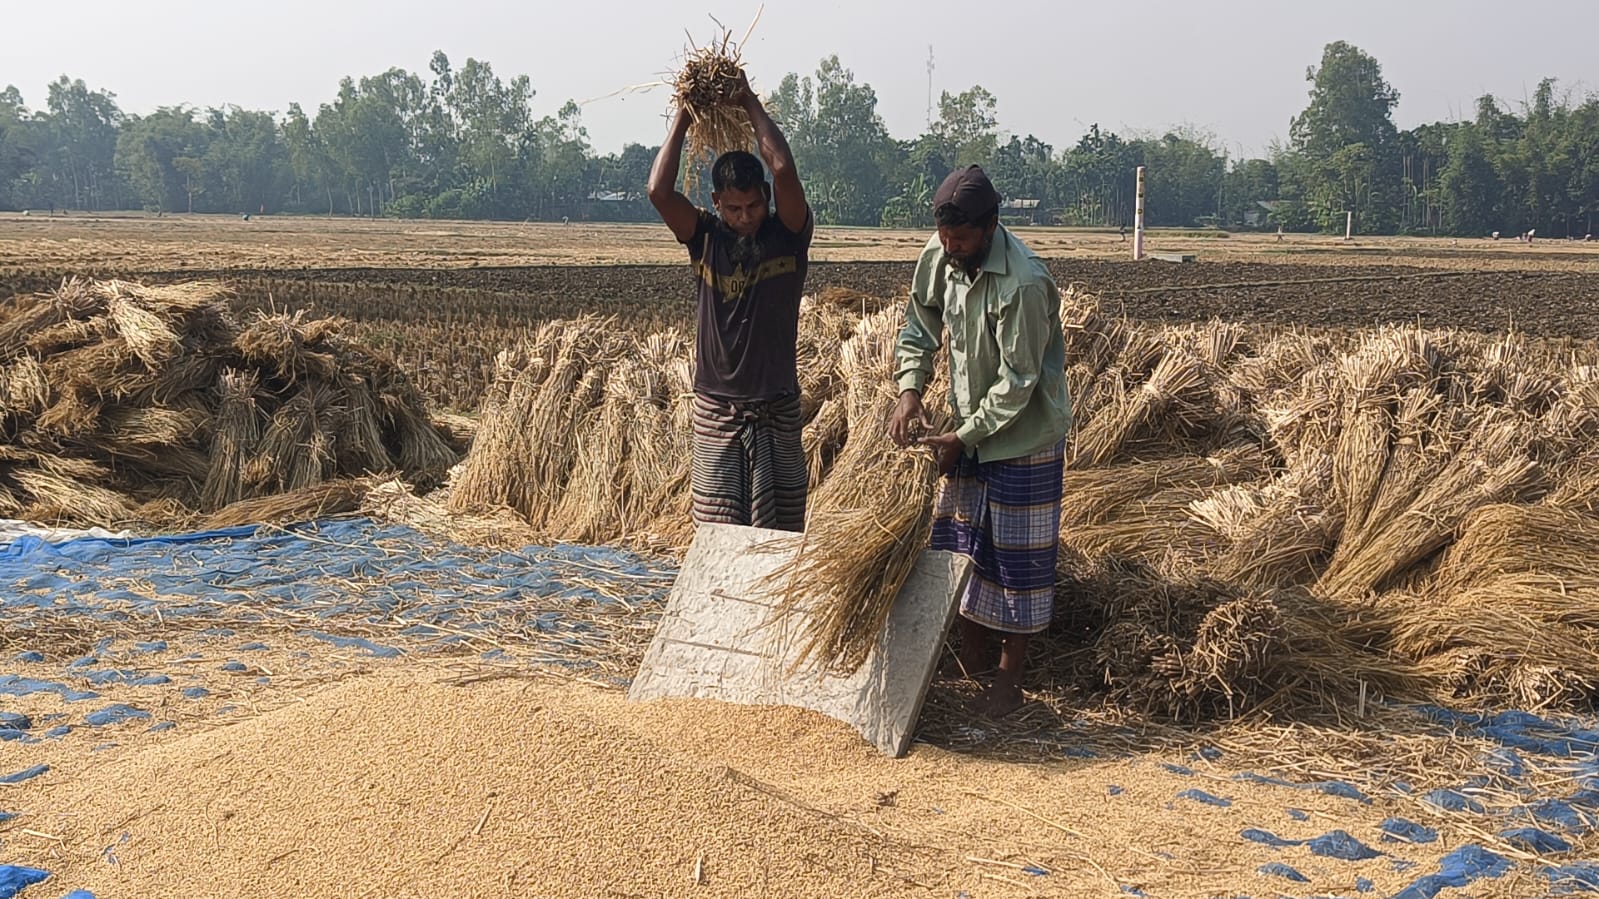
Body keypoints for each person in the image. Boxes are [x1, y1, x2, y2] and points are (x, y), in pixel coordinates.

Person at [889, 165, 1071, 718]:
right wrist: (910, 390)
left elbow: (1018, 381)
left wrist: (961, 438)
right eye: (945, 239)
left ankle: (1008, 682)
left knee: (1019, 562)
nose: (952, 249)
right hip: (965, 429)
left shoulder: (1025, 283)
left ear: (991, 226)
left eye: (962, 240)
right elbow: (921, 320)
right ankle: (968, 664)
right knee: (959, 548)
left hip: (1023, 436)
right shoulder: (940, 254)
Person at [648, 72, 814, 532]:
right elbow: (657, 192)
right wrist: (685, 112)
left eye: (754, 207)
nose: (745, 219)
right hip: (716, 411)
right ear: (717, 203)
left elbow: (781, 168)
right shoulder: (703, 236)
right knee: (718, 536)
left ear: (766, 200)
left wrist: (748, 100)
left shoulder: (788, 236)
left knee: (781, 535)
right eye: (734, 209)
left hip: (777, 407)